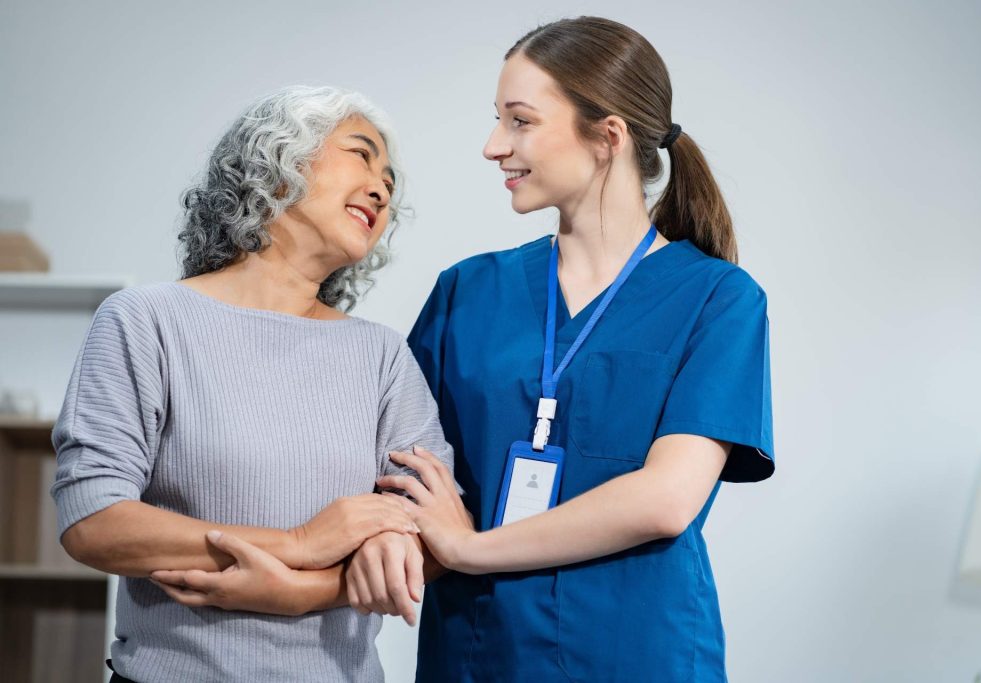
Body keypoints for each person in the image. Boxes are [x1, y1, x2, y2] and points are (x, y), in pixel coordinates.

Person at [373, 17, 775, 682]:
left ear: (607, 136)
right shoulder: (466, 292)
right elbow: (395, 472)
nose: (493, 146)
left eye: (520, 121)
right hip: (479, 653)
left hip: (639, 655)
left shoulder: (719, 300)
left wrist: (472, 547)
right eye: (497, 120)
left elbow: (665, 498)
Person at [51, 85, 455, 683]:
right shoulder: (147, 320)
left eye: (391, 180)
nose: (382, 187)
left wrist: (305, 591)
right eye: (361, 154)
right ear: (276, 161)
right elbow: (94, 520)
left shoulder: (381, 355)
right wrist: (296, 543)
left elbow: (434, 528)